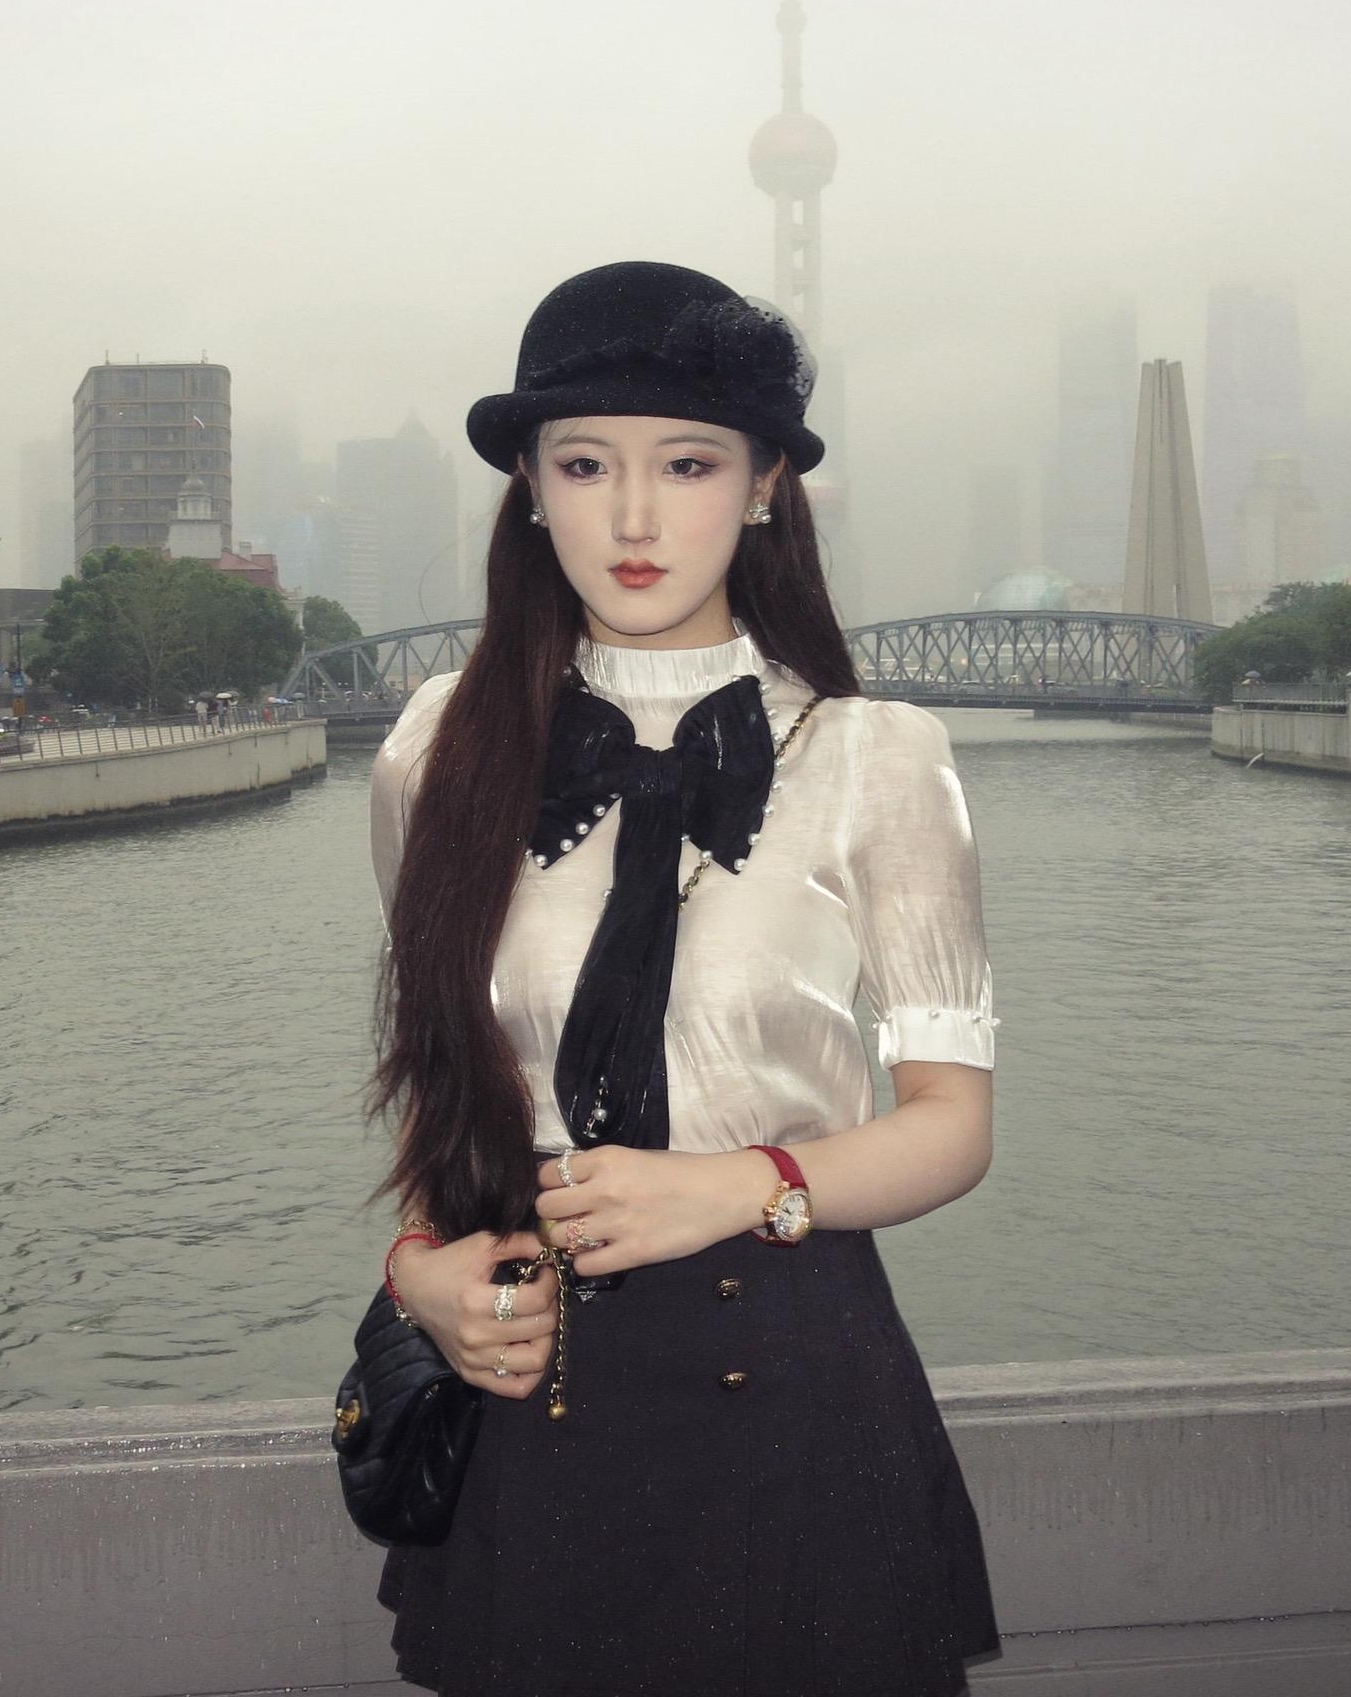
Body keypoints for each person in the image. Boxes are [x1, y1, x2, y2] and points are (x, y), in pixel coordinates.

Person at [365, 261, 1002, 1695]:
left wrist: (738, 1186)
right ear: (530, 487)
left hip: (794, 1379)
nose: (635, 519)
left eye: (690, 464)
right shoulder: (435, 752)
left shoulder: (877, 757)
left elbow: (954, 1125)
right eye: (586, 464)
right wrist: (419, 1276)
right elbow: (447, 1086)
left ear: (767, 483)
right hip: (532, 1383)